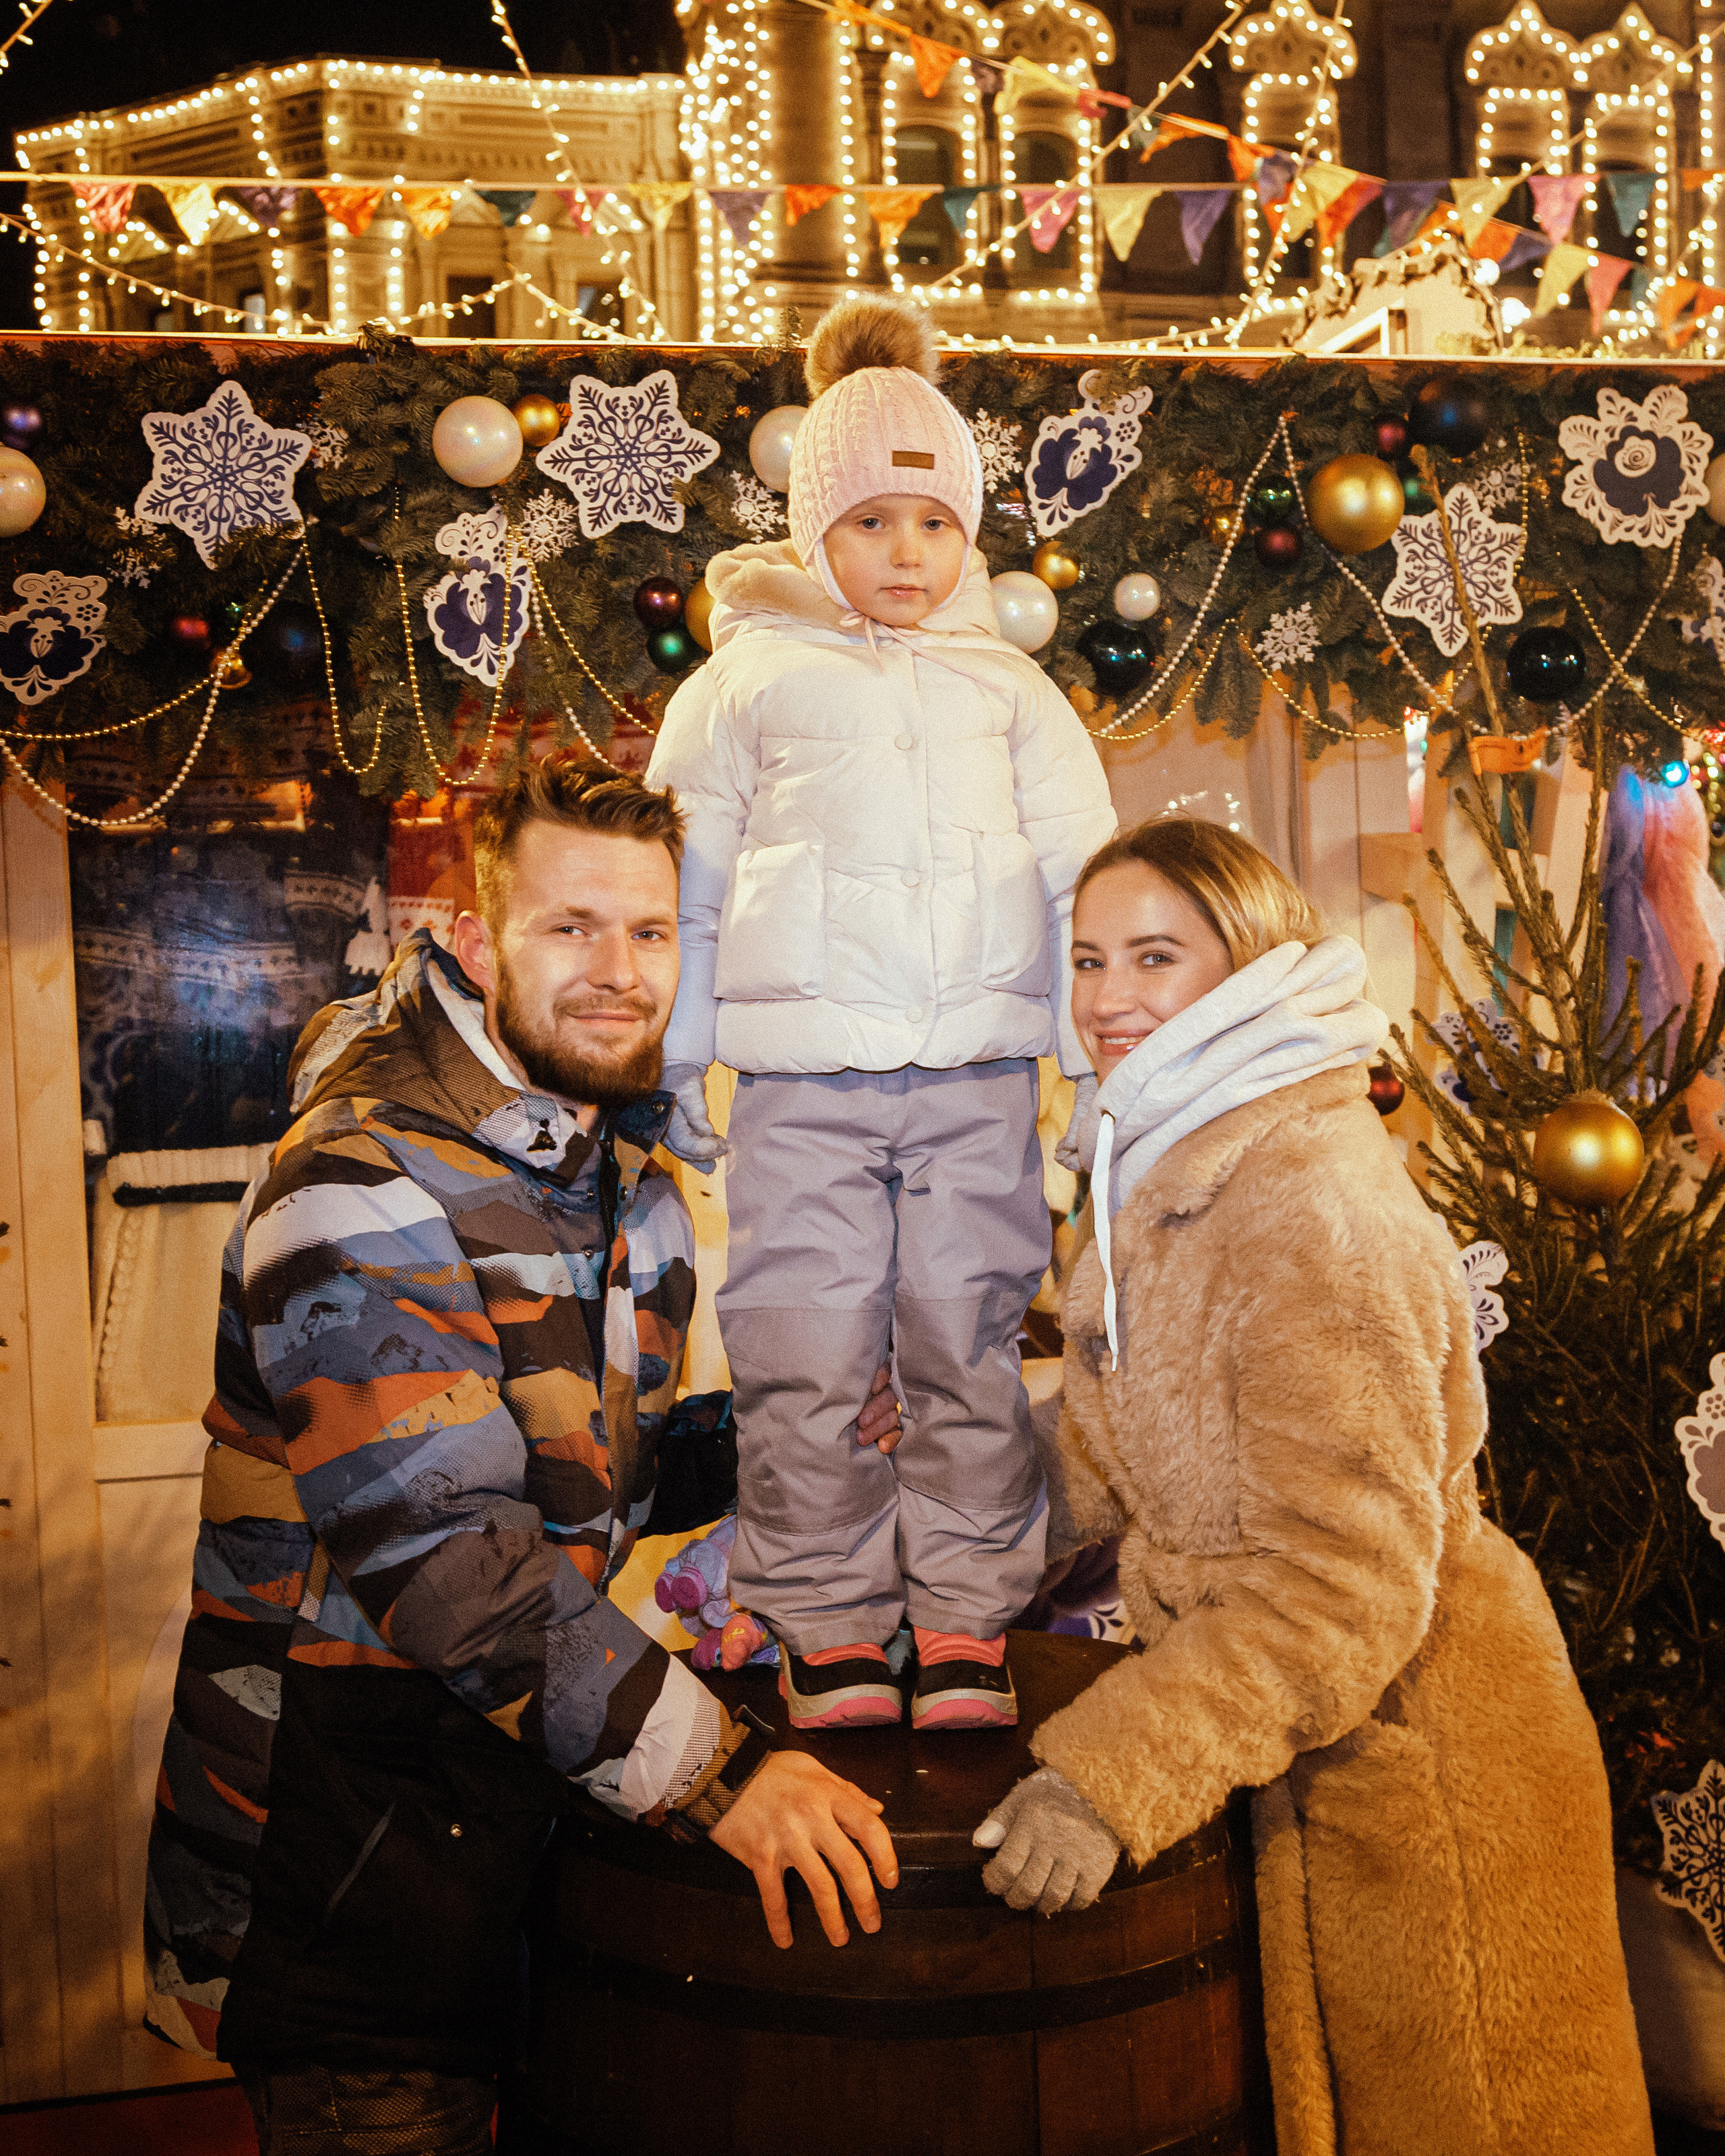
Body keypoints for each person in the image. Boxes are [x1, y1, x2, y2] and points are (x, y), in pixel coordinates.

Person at [144, 758, 900, 2156]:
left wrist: (800, 1435)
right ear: (481, 943)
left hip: (499, 1822)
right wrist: (724, 1774)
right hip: (344, 1866)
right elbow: (451, 1564)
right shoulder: (358, 1186)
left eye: (650, 931)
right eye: (570, 927)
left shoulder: (621, 1173)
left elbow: (588, 1473)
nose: (617, 971)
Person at [974, 817, 1655, 2154]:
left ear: (1250, 970)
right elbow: (1126, 1453)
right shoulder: (1173, 1173)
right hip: (1301, 1740)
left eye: (1154, 957)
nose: (1109, 1000)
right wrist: (938, 1529)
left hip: (1426, 1757)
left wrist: (1109, 1778)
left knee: (1478, 2108)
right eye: (1088, 959)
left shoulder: (1312, 1207)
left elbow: (1336, 1589)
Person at [646, 293, 1116, 1734]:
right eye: (867, 524)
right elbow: (690, 883)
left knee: (964, 1341)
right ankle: (830, 1621)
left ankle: (967, 1618)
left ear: (969, 539)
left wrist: (1090, 1067)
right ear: (810, 533)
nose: (902, 555)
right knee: (802, 1342)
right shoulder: (745, 686)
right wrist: (677, 1052)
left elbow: (1077, 887)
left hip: (976, 1077)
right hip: (797, 1088)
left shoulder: (1013, 695)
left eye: (931, 525)